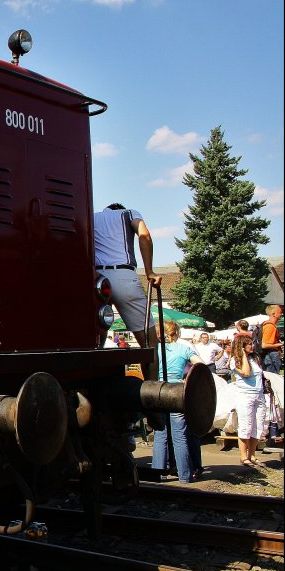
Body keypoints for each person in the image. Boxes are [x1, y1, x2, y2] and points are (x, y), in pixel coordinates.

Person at [93, 203, 161, 378]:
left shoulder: (93, 217)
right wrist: (149, 271)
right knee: (149, 342)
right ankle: (152, 390)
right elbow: (144, 235)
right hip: (123, 275)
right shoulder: (129, 213)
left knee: (98, 334)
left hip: (96, 277)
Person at [150, 320, 205, 483]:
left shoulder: (156, 350)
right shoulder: (184, 349)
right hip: (176, 392)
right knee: (180, 437)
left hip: (157, 391)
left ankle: (158, 474)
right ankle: (185, 476)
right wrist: (187, 380)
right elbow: (200, 365)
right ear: (176, 333)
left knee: (160, 435)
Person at [228, 332, 268, 468]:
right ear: (242, 346)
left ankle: (252, 455)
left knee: (258, 426)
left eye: (251, 343)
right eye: (249, 344)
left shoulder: (255, 358)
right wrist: (243, 355)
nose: (252, 346)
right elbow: (246, 373)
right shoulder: (235, 360)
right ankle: (243, 456)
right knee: (246, 425)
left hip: (259, 395)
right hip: (245, 395)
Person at [259, 304, 283, 374]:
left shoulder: (266, 324)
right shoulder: (270, 326)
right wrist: (280, 344)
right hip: (270, 356)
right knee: (273, 379)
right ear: (273, 314)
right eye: (280, 312)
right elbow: (264, 345)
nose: (282, 314)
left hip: (268, 356)